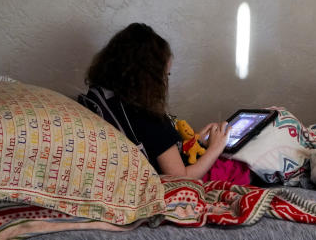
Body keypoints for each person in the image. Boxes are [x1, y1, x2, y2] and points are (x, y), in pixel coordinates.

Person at [77, 23, 241, 182]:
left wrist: (196, 140)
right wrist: (215, 148)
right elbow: (180, 177)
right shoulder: (147, 117)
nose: (165, 81)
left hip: (190, 153)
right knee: (246, 161)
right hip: (196, 171)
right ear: (151, 78)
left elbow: (162, 148)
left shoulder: (112, 102)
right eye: (166, 74)